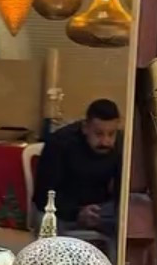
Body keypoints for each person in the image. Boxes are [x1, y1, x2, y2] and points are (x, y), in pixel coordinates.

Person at [31, 98, 123, 249]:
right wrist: (77, 213)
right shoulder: (60, 144)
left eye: (111, 134)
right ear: (86, 127)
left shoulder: (119, 146)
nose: (106, 141)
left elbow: (121, 190)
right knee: (47, 222)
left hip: (99, 210)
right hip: (63, 210)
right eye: (99, 134)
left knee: (126, 223)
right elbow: (43, 196)